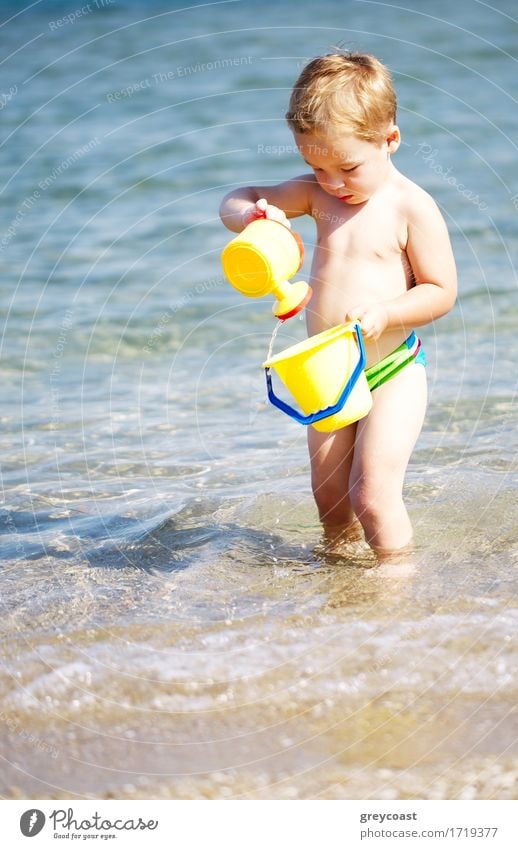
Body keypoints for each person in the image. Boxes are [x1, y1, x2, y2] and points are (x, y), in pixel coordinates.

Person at [219, 51, 457, 559]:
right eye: (315, 166)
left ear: (389, 139)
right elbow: (239, 196)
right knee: (329, 499)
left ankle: (397, 590)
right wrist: (252, 216)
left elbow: (441, 291)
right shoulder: (317, 195)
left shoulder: (411, 206)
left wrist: (386, 313)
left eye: (347, 167)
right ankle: (343, 597)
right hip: (326, 374)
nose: (331, 182)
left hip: (391, 369)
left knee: (371, 496)